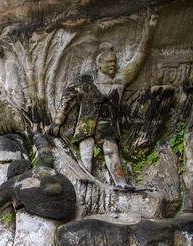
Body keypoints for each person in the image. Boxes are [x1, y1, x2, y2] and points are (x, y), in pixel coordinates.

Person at [49, 13, 158, 189]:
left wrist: (150, 30)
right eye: (108, 62)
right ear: (99, 64)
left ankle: (121, 182)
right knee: (86, 151)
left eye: (114, 62)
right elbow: (66, 100)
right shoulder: (85, 81)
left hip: (109, 126)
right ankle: (85, 179)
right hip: (87, 123)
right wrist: (57, 122)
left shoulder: (120, 81)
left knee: (112, 151)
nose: (112, 65)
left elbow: (139, 58)